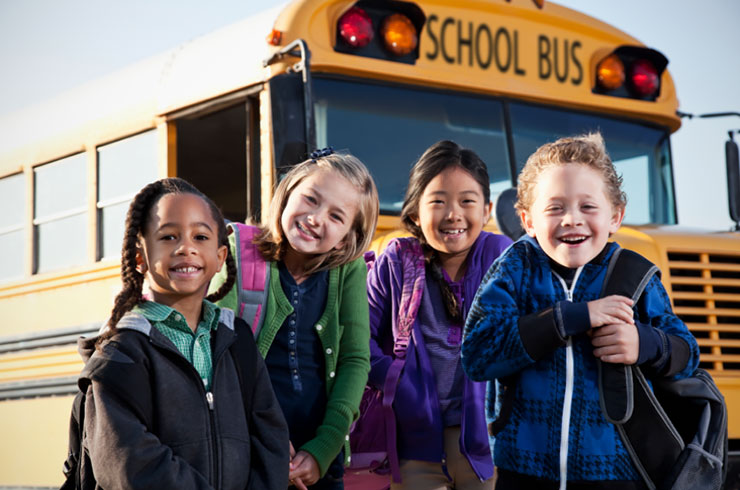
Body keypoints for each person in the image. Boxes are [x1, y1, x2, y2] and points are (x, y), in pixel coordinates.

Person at [462, 133, 700, 490]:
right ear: (528, 221)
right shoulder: (515, 269)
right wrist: (570, 318)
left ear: (615, 216)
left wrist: (644, 343)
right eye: (555, 208)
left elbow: (687, 352)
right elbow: (477, 354)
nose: (572, 219)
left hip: (616, 471)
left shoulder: (636, 276)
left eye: (588, 207)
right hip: (524, 471)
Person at [79, 177, 290, 489]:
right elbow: (126, 461)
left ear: (220, 258)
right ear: (140, 258)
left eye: (201, 236)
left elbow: (270, 436)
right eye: (168, 237)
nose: (186, 248)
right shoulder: (120, 353)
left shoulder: (237, 340)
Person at [212, 149, 379, 490]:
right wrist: (265, 435)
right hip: (247, 451)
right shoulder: (239, 252)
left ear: (348, 236)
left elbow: (355, 360)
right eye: (311, 199)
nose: (316, 218)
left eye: (336, 216)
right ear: (288, 192)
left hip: (317, 459)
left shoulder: (347, 271)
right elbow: (215, 351)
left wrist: (324, 449)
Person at [365, 140, 512, 489]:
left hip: (487, 439)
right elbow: (359, 337)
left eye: (467, 201)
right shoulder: (396, 261)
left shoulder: (504, 258)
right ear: (416, 212)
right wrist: (398, 381)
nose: (453, 214)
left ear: (487, 210)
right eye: (438, 202)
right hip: (415, 442)